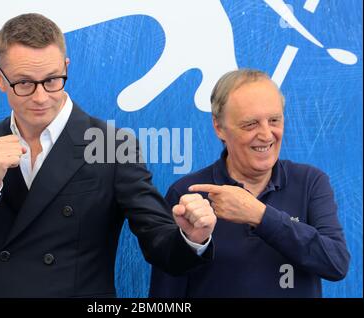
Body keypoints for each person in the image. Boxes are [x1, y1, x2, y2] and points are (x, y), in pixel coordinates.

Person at [0, 13, 216, 298]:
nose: (41, 97)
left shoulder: (112, 145)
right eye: (24, 83)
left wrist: (192, 238)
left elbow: (160, 243)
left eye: (52, 80)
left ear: (66, 67)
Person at [149, 69, 350, 298]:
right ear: (219, 127)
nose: (266, 135)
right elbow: (165, 293)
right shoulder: (187, 193)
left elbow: (336, 263)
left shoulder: (310, 182)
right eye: (250, 124)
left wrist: (260, 216)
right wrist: (193, 244)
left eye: (274, 120)